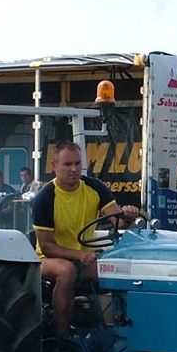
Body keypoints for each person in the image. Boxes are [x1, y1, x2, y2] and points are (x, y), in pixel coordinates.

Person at [32, 141, 139, 337]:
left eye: (77, 163)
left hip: (85, 259)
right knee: (66, 270)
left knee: (120, 267)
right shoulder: (45, 198)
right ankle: (62, 337)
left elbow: (118, 222)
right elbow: (47, 246)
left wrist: (128, 215)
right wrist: (79, 255)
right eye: (67, 164)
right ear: (54, 165)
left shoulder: (94, 187)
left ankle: (120, 329)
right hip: (47, 260)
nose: (74, 169)